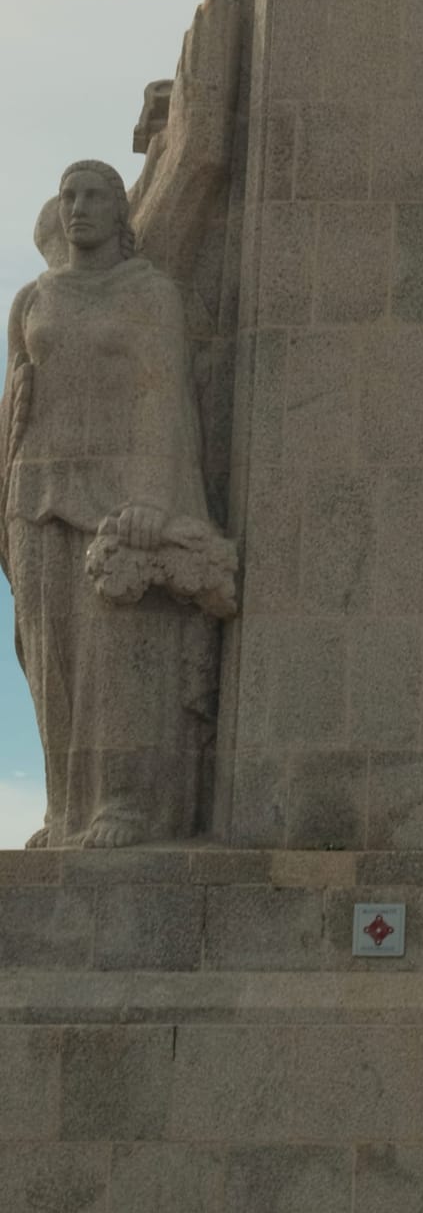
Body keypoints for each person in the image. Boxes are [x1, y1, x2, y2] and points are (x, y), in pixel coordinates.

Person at [3, 158, 236, 847]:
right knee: (53, 662)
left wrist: (153, 498)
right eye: (68, 195)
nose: (79, 207)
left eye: (95, 195)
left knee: (123, 662)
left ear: (120, 212)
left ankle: (124, 804)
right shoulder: (32, 299)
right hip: (37, 494)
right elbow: (19, 401)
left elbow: (163, 397)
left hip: (121, 499)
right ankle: (64, 810)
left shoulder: (148, 293)